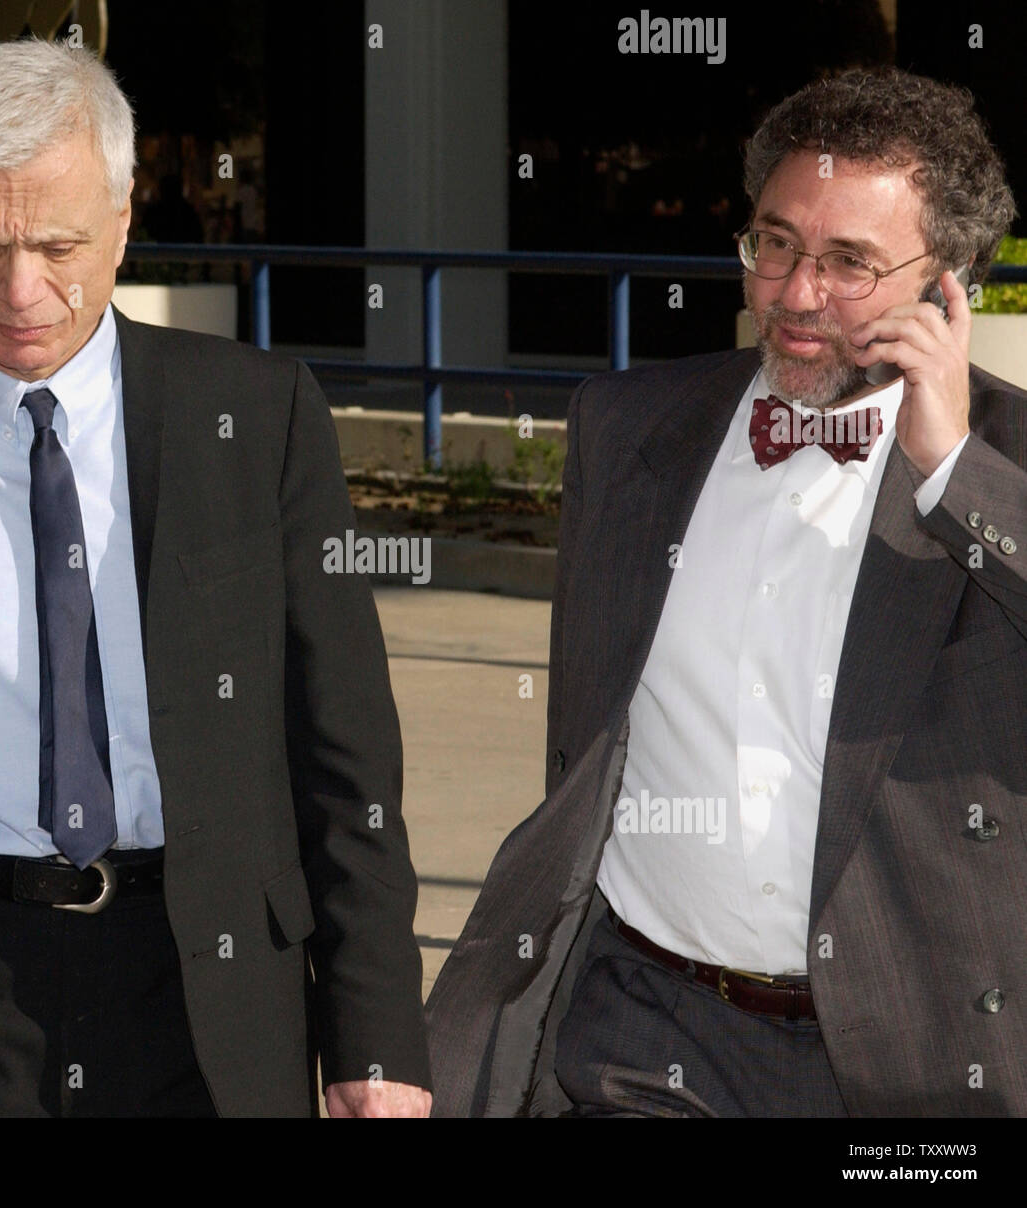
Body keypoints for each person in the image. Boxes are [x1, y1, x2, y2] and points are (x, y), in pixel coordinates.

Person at [0, 37, 432, 1119]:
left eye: (56, 244)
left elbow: (343, 754)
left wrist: (375, 1035)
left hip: (206, 986)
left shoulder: (257, 419)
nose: (20, 290)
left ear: (122, 214)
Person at [427, 67, 1027, 1117]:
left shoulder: (1005, 462)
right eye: (776, 243)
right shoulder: (627, 424)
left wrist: (945, 467)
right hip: (646, 1028)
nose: (796, 295)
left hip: (915, 1062)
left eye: (849, 263)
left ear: (947, 284)